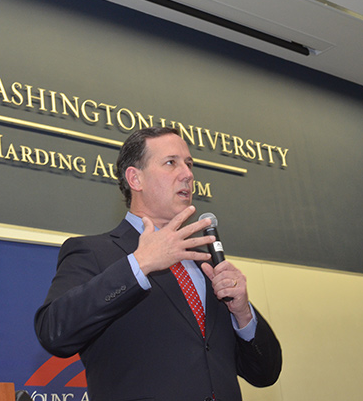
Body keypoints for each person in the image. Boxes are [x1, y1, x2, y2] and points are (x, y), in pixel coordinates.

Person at [34, 127, 282, 401]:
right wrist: (139, 264)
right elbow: (53, 332)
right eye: (171, 163)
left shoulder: (206, 263)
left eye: (189, 164)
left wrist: (243, 313)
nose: (188, 174)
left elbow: (265, 373)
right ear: (135, 178)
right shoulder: (94, 252)